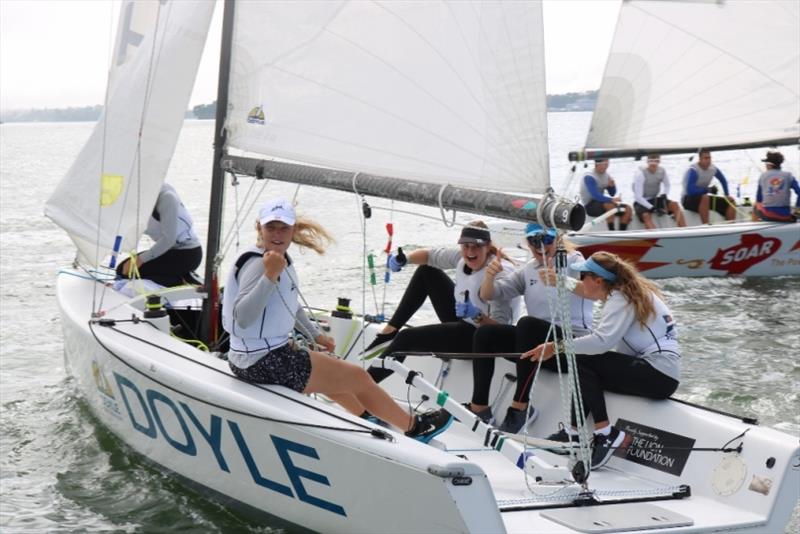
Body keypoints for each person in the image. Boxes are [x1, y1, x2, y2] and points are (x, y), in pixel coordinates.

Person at [222, 198, 453, 443]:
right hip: (262, 362)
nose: (277, 234)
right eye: (271, 228)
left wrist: (315, 334)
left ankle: (366, 416)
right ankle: (416, 428)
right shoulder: (261, 264)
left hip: (254, 359)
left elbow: (289, 303)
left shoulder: (275, 258)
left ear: (293, 230)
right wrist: (270, 274)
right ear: (260, 228)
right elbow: (243, 318)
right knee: (358, 378)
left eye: (284, 228)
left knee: (330, 367)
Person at [522, 251, 680, 470]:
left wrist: (555, 347)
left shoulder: (621, 298)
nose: (578, 281)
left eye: (581, 276)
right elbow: (588, 291)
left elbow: (601, 342)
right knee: (585, 360)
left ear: (598, 280)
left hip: (658, 374)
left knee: (582, 356)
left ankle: (605, 433)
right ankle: (573, 433)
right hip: (660, 374)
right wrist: (560, 281)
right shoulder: (626, 291)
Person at [473, 223, 594, 433]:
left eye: (546, 239)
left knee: (527, 324)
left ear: (557, 239)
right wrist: (490, 276)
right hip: (537, 346)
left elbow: (595, 292)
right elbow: (488, 295)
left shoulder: (575, 261)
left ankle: (520, 407)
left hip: (571, 346)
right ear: (528, 243)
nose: (540, 246)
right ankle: (480, 408)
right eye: (534, 240)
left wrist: (562, 281)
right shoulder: (529, 269)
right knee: (485, 333)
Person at [366, 223, 517, 388]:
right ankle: (390, 329)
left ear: (487, 246)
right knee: (426, 271)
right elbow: (428, 255)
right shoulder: (462, 257)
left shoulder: (500, 274)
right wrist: (404, 259)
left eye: (477, 246)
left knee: (406, 338)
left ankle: (360, 387)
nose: (470, 252)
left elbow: (500, 332)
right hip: (464, 320)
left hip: (480, 340)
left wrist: (476, 315)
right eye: (466, 246)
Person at [116, 183, 202, 287]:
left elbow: (169, 240)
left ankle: (183, 280)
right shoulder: (140, 199)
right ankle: (179, 275)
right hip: (168, 252)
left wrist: (140, 259)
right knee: (122, 270)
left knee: (129, 272)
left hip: (187, 254)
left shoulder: (167, 198)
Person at [682, 149, 737, 223]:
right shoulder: (693, 170)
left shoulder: (713, 169)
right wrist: (708, 190)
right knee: (705, 197)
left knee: (731, 201)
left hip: (703, 199)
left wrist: (727, 194)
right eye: (706, 158)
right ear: (700, 159)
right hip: (687, 199)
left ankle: (731, 226)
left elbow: (723, 180)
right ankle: (706, 226)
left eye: (709, 158)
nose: (708, 160)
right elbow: (690, 191)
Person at [632, 155, 687, 229]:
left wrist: (664, 193)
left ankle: (683, 230)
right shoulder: (641, 174)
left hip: (655, 199)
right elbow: (638, 197)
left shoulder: (662, 171)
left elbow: (667, 185)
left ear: (659, 162)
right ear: (647, 162)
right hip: (641, 201)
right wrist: (652, 208)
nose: (653, 166)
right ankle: (656, 236)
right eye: (651, 163)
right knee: (646, 216)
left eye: (656, 163)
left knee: (675, 205)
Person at [580, 158, 632, 231]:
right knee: (610, 205)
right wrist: (612, 200)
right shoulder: (589, 176)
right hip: (590, 206)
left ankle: (622, 232)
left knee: (628, 209)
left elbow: (612, 193)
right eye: (603, 165)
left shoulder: (606, 175)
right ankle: (611, 231)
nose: (605, 168)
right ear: (596, 164)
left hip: (602, 204)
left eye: (606, 165)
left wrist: (612, 186)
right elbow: (595, 195)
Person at [752, 151, 800, 222]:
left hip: (768, 215)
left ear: (770, 165)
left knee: (756, 206)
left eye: (766, 164)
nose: (765, 166)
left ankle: (755, 225)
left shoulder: (763, 176)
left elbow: (759, 199)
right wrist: (797, 208)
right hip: (785, 215)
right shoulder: (789, 175)